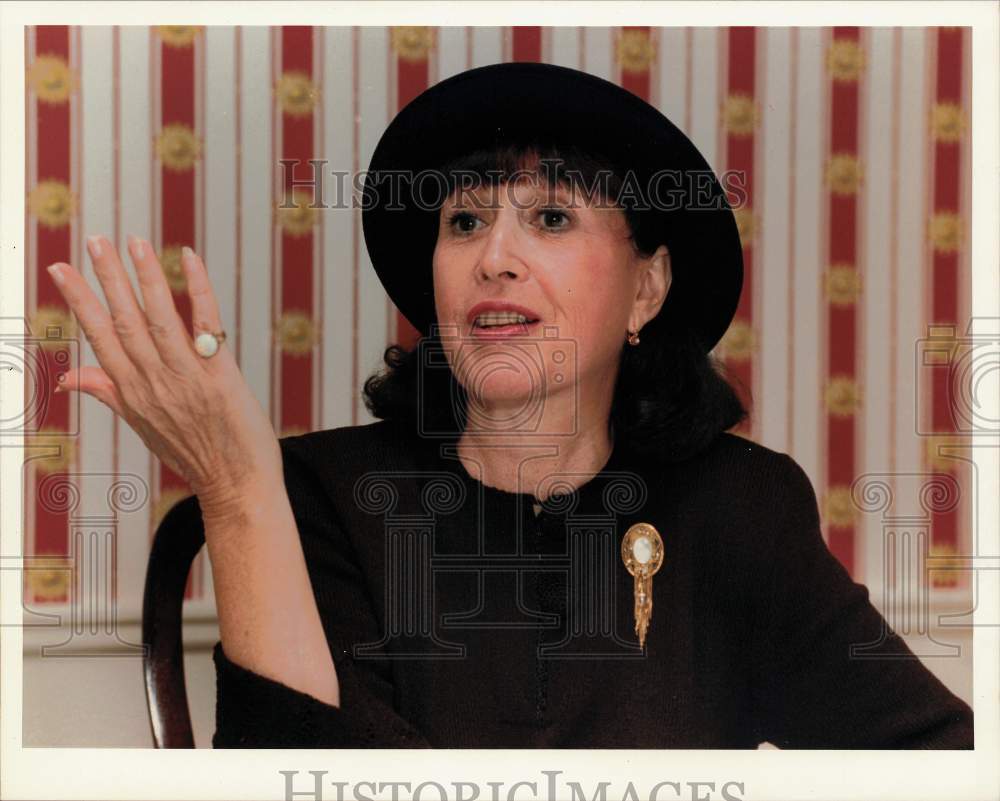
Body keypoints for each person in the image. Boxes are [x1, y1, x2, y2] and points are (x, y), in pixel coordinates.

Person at [46, 63, 973, 749]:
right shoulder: (316, 492)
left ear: (646, 292)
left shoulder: (744, 505)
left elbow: (938, 757)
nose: (495, 255)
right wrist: (235, 485)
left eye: (552, 217)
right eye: (463, 220)